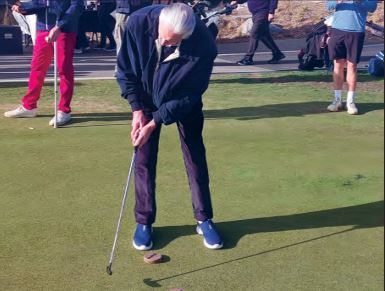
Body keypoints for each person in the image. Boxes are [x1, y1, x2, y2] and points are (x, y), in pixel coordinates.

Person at [116, 3, 224, 250]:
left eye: (172, 43)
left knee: (195, 155)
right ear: (158, 24)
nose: (164, 45)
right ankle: (144, 221)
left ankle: (204, 218)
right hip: (144, 98)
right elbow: (125, 69)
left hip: (184, 102)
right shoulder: (137, 23)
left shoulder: (204, 45)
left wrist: (157, 120)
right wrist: (137, 110)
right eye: (162, 39)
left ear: (187, 36)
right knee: (143, 159)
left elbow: (191, 93)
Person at [4, 0, 84, 126]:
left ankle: (64, 110)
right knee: (37, 68)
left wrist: (60, 26)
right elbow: (40, 4)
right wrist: (23, 8)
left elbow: (77, 6)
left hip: (64, 31)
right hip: (43, 29)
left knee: (64, 69)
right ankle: (29, 106)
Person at [326, 0, 377, 115]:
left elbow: (372, 7)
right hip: (337, 30)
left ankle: (350, 101)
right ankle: (337, 100)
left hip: (356, 31)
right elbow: (328, 5)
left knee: (352, 65)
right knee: (337, 64)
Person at [232, 0, 285, 65]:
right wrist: (237, 1)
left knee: (254, 34)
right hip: (255, 14)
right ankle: (277, 54)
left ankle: (248, 58)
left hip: (264, 12)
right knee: (264, 35)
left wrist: (271, 12)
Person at [113, 0, 152, 72]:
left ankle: (142, 67)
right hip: (125, 9)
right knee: (122, 41)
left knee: (143, 41)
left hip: (142, 9)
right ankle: (122, 68)